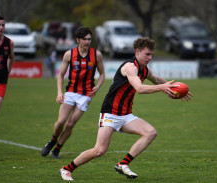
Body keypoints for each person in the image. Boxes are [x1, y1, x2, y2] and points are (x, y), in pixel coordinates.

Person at [59, 37, 193, 181]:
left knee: (150, 132)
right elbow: (140, 88)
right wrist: (162, 88)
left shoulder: (144, 70)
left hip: (125, 114)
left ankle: (123, 164)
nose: (150, 57)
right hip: (110, 113)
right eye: (147, 54)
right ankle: (66, 169)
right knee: (99, 150)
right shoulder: (130, 67)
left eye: (151, 54)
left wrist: (174, 89)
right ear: (137, 51)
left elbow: (157, 79)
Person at [41, 27, 105, 158]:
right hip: (70, 92)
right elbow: (61, 75)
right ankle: (53, 140)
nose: (87, 42)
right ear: (78, 40)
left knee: (70, 124)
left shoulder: (96, 54)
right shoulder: (69, 54)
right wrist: (59, 92)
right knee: (60, 122)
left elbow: (103, 74)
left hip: (86, 95)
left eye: (89, 39)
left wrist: (98, 86)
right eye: (85, 39)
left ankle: (57, 149)